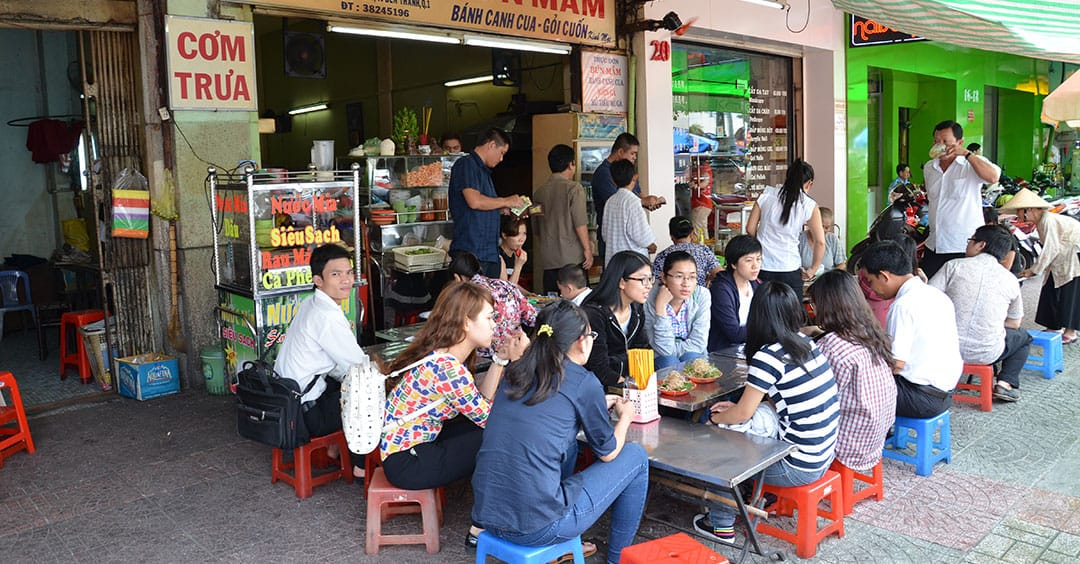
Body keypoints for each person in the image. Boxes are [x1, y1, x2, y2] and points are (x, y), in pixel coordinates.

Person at [471, 301, 649, 564]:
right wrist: (626, 417)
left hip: (487, 516)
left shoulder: (515, 373)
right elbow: (609, 451)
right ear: (581, 342)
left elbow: (550, 418)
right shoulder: (582, 380)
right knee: (635, 456)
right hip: (539, 528)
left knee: (568, 447)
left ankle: (562, 545)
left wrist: (596, 402)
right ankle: (617, 560)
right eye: (591, 335)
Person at [697, 281, 839, 544]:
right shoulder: (806, 343)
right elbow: (786, 399)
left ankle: (720, 523)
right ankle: (756, 497)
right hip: (824, 455)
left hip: (797, 467)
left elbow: (741, 415)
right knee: (741, 424)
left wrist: (716, 419)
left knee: (718, 442)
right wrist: (737, 410)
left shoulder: (768, 356)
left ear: (757, 315)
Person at [379, 281, 528, 494]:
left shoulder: (443, 356)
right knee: (503, 434)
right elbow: (490, 420)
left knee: (489, 430)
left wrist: (500, 360)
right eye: (489, 318)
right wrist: (520, 359)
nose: (494, 324)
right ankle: (498, 509)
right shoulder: (448, 370)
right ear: (466, 322)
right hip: (408, 464)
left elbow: (480, 405)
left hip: (410, 450)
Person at [275, 244, 367, 471]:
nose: (346, 280)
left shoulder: (310, 302)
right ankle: (360, 467)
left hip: (288, 404)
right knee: (369, 395)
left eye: (349, 273)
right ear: (318, 280)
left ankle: (334, 449)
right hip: (306, 416)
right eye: (336, 274)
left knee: (342, 383)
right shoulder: (326, 317)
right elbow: (359, 368)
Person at [805, 270, 897, 473]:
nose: (813, 311)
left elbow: (816, 400)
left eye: (814, 305)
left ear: (827, 306)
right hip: (876, 436)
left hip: (848, 445)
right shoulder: (870, 332)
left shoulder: (831, 345)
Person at [929, 225, 1031, 402]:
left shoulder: (953, 266)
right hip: (987, 352)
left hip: (944, 347)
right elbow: (1015, 323)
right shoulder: (1010, 280)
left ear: (981, 245)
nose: (968, 244)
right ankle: (1005, 384)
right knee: (1024, 337)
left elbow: (929, 298)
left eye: (971, 241)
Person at [861, 241, 961, 418]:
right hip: (945, 392)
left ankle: (870, 439)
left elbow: (896, 364)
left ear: (884, 276)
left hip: (920, 398)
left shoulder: (903, 305)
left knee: (852, 389)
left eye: (871, 281)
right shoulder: (936, 294)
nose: (873, 289)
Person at [921, 120, 1001, 278]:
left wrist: (966, 154)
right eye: (937, 141)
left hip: (962, 246)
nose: (941, 146)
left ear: (960, 142)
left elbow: (993, 177)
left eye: (946, 142)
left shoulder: (971, 165)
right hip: (935, 244)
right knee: (930, 290)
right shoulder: (930, 168)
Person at [448, 127, 525, 279]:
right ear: (491, 145)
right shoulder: (467, 164)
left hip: (488, 251)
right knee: (474, 301)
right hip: (472, 251)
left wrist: (501, 208)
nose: (501, 159)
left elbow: (479, 206)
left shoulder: (484, 172)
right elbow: (474, 202)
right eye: (501, 153)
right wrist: (506, 200)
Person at [1006, 188, 1080, 344]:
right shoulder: (1042, 221)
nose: (1018, 216)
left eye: (1019, 212)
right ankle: (1054, 327)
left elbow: (1050, 249)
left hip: (1073, 256)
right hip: (1062, 257)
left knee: (1069, 294)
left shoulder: (1047, 220)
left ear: (1028, 210)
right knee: (1052, 289)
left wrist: (1033, 270)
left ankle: (1070, 332)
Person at [746, 158, 826, 292]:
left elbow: (750, 228)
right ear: (809, 184)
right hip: (789, 267)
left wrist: (761, 243)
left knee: (763, 309)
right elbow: (820, 242)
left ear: (787, 178)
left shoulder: (767, 195)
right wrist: (812, 270)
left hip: (763, 267)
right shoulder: (808, 205)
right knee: (791, 311)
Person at [582, 251, 653, 387]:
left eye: (650, 279)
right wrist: (630, 386)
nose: (649, 285)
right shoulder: (594, 314)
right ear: (621, 282)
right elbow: (598, 367)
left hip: (629, 382)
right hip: (599, 387)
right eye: (643, 279)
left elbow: (642, 349)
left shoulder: (636, 309)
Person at [449, 252, 537, 358]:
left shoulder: (467, 296)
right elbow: (533, 318)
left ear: (457, 278)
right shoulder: (507, 285)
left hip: (483, 356)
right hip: (515, 351)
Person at [532, 143, 593, 294]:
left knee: (552, 304)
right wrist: (587, 250)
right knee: (576, 304)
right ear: (571, 164)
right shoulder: (574, 189)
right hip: (572, 260)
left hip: (549, 261)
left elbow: (536, 227)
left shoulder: (538, 194)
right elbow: (580, 222)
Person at [645, 251, 712, 369]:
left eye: (692, 277)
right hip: (660, 357)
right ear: (664, 277)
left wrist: (676, 352)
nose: (686, 284)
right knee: (669, 361)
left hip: (693, 354)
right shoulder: (650, 298)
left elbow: (699, 343)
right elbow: (664, 349)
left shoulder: (701, 295)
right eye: (679, 276)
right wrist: (660, 307)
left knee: (691, 358)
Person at [709, 235, 761, 351]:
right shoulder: (721, 290)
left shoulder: (756, 284)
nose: (755, 265)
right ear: (733, 264)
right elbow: (734, 334)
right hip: (725, 352)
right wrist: (765, 329)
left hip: (750, 347)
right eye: (749, 260)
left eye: (758, 259)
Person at [602, 159, 656, 265]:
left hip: (613, 262)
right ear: (635, 177)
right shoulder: (634, 202)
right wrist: (651, 245)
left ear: (613, 180)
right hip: (632, 263)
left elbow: (605, 234)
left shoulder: (609, 201)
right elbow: (642, 236)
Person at [652, 216, 723, 287]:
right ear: (692, 234)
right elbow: (720, 273)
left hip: (671, 296)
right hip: (699, 296)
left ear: (671, 236)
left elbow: (656, 283)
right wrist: (709, 277)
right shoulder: (703, 251)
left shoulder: (662, 255)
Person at [799, 206, 847, 276]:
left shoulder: (832, 239)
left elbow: (842, 264)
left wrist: (830, 276)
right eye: (821, 227)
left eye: (827, 227)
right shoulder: (800, 239)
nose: (823, 230)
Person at [497, 216, 528, 287]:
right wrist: (518, 266)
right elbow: (507, 290)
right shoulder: (499, 256)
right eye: (516, 234)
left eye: (524, 233)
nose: (521, 239)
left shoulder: (515, 255)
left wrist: (530, 294)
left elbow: (514, 283)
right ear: (504, 235)